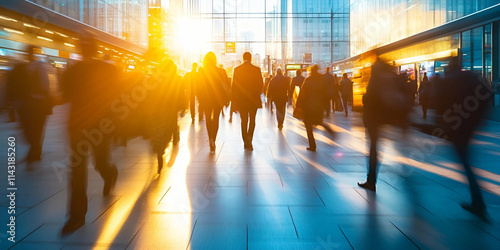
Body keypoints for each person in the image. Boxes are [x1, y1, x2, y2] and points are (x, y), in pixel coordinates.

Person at [60, 31, 119, 235]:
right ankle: (77, 216)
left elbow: (117, 95)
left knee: (99, 161)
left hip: (100, 126)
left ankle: (110, 173)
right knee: (76, 169)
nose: (84, 49)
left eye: (87, 46)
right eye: (82, 45)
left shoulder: (105, 70)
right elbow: (65, 95)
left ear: (92, 49)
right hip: (78, 127)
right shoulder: (72, 71)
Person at [358, 56, 412, 192]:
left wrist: (366, 99)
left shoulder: (377, 79)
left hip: (374, 118)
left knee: (373, 148)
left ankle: (371, 181)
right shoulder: (388, 77)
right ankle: (372, 179)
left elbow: (373, 98)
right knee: (375, 148)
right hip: (381, 118)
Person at [6, 45, 52, 164]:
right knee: (37, 130)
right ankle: (35, 152)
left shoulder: (25, 67)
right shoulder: (37, 66)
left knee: (32, 129)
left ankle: (35, 152)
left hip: (30, 104)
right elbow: (46, 86)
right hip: (38, 103)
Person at [295, 65, 334, 151]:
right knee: (319, 122)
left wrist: (298, 106)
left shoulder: (308, 81)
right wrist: (326, 106)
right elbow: (325, 94)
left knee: (308, 126)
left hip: (308, 107)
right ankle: (330, 131)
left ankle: (312, 145)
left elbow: (302, 95)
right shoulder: (322, 80)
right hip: (319, 106)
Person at [199, 52, 230, 153]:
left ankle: (210, 139)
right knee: (216, 119)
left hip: (206, 99)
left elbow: (197, 86)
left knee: (208, 119)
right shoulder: (221, 71)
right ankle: (213, 140)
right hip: (217, 99)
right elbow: (226, 84)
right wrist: (227, 99)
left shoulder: (202, 71)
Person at [231, 52, 263, 151]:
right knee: (252, 120)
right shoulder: (257, 69)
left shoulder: (237, 70)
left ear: (242, 58)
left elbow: (234, 87)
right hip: (253, 100)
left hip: (241, 101)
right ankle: (250, 140)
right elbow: (261, 85)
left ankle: (245, 141)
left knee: (244, 121)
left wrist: (233, 102)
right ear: (251, 58)